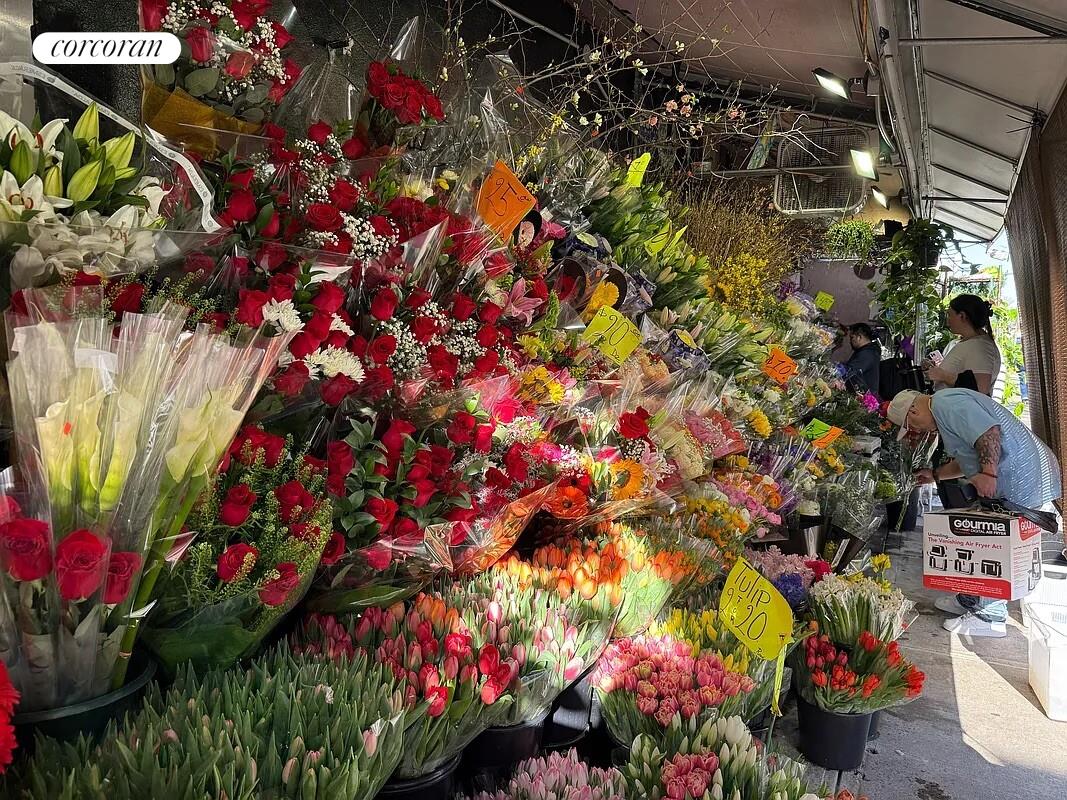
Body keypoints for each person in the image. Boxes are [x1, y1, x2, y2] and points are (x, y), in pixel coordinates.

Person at [886, 388, 1061, 637]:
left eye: (911, 425)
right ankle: (971, 598)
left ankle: (990, 616)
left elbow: (989, 433)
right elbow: (969, 457)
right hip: (1016, 476)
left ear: (913, 411)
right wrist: (935, 475)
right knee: (983, 537)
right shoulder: (944, 409)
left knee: (995, 541)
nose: (918, 430)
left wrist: (989, 474)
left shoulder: (945, 404)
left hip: (1020, 478)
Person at [924, 294, 1001, 396]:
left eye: (950, 315)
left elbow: (980, 388)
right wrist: (938, 370)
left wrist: (943, 375)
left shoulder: (980, 347)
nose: (948, 321)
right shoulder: (972, 342)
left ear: (962, 316)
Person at [843, 322, 881, 397]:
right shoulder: (868, 351)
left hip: (864, 397)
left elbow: (852, 371)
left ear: (859, 337)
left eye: (852, 338)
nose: (850, 341)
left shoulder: (867, 354)